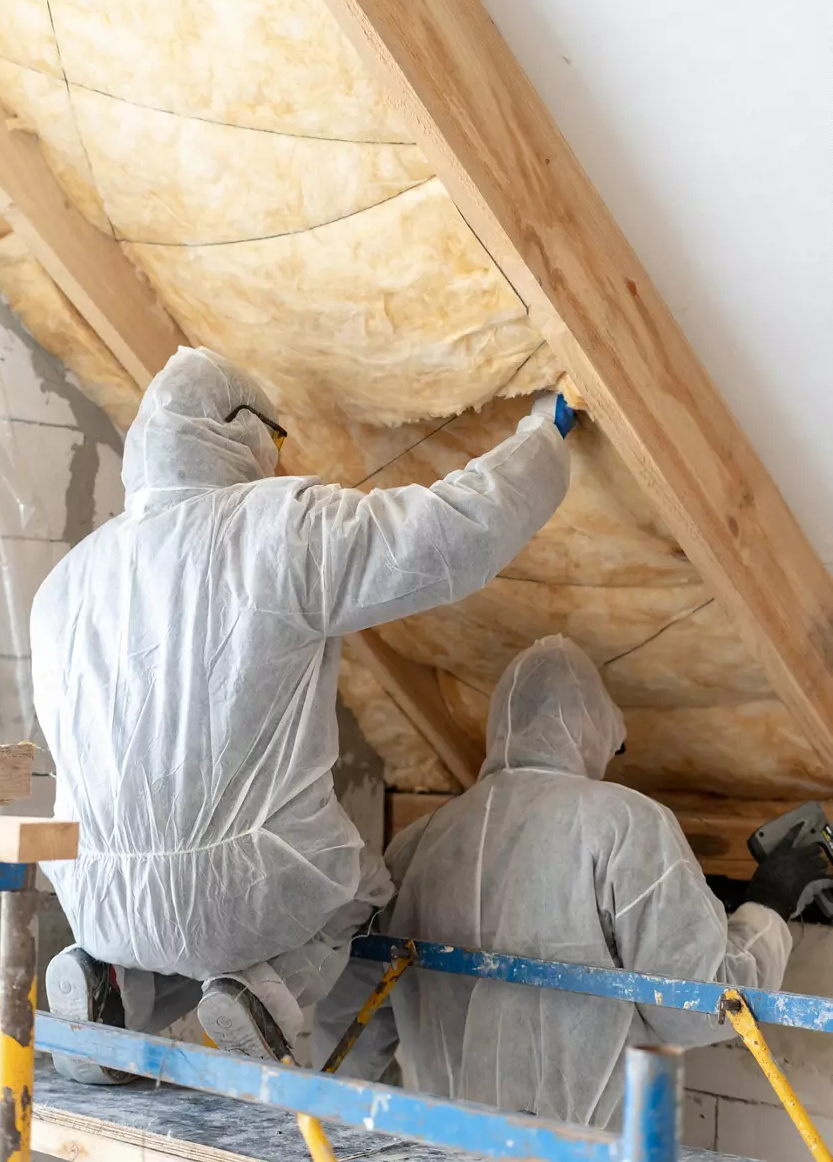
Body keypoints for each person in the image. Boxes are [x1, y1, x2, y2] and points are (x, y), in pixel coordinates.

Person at [32, 346, 576, 1083]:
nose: (278, 461)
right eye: (277, 441)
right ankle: (264, 993)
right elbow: (452, 535)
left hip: (94, 893)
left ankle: (107, 988)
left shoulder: (65, 582)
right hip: (248, 895)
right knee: (358, 895)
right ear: (239, 430)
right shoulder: (279, 528)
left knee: (161, 925)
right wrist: (542, 441)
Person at [314, 636, 829, 1127]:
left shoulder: (417, 843)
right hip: (576, 1151)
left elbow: (349, 1015)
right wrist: (768, 905)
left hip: (444, 1145)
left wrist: (386, 1134)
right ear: (593, 727)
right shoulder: (623, 823)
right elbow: (697, 1008)